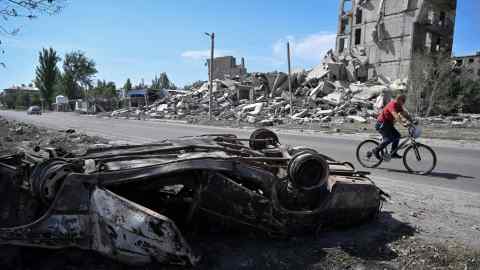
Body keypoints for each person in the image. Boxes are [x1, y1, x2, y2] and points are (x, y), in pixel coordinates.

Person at [372, 94, 412, 159]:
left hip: (388, 124)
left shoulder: (399, 106)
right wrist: (403, 123)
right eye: (403, 100)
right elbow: (395, 115)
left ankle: (393, 152)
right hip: (381, 124)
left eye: (404, 100)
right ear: (398, 99)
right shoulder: (392, 104)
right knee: (390, 138)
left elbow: (405, 114)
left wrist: (412, 121)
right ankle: (376, 150)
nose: (404, 102)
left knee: (397, 136)